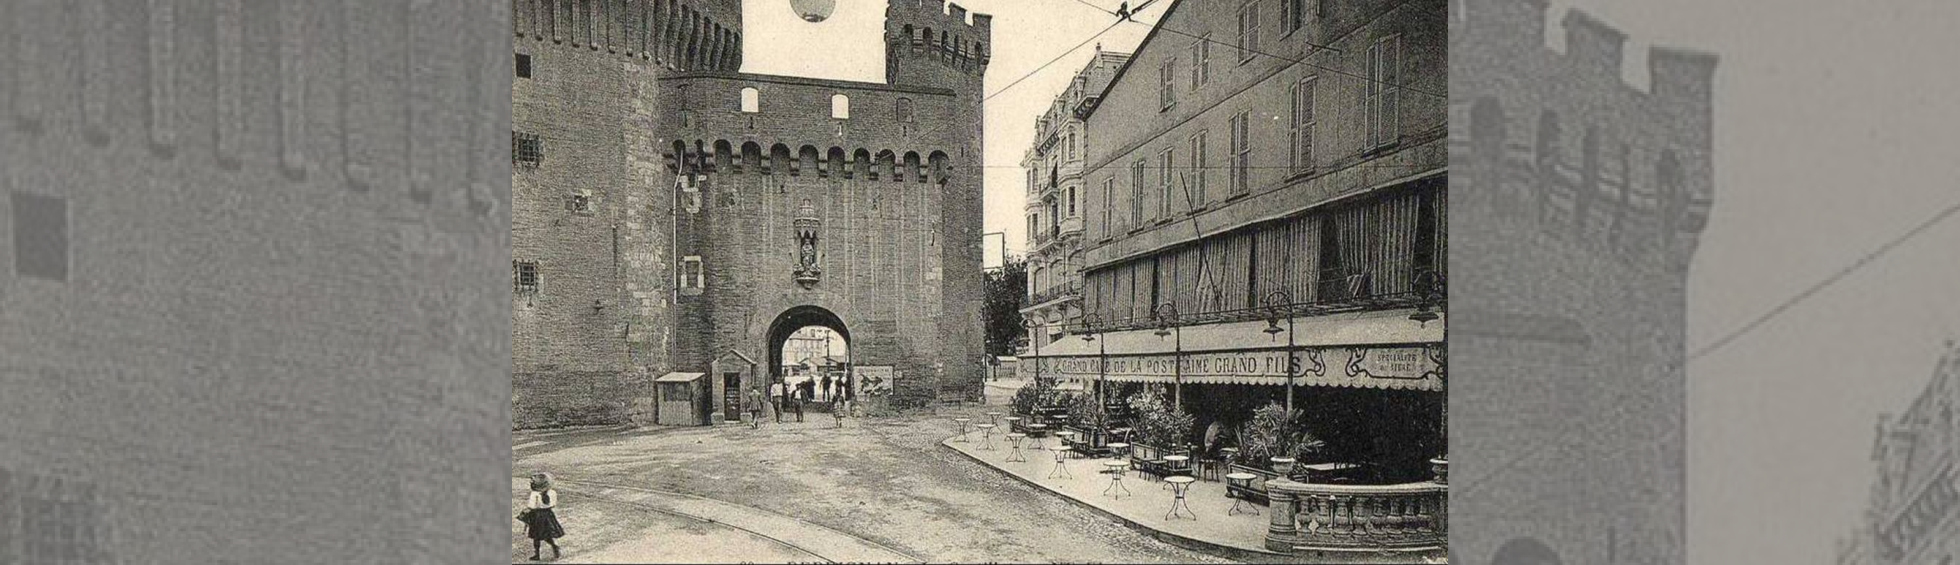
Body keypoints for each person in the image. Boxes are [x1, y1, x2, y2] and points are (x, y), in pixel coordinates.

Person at [520, 473, 565, 561]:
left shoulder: (534, 494)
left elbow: (531, 506)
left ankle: (537, 554)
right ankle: (554, 546)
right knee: (547, 534)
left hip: (537, 516)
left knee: (536, 536)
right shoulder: (552, 492)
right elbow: (553, 505)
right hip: (548, 515)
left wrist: (524, 513)